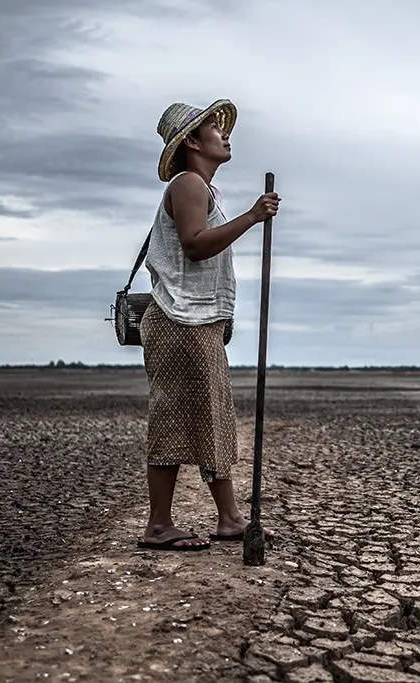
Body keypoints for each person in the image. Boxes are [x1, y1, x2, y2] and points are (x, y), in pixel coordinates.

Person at [136, 99, 280, 551]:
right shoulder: (188, 184)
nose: (225, 134)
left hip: (196, 321)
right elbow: (195, 246)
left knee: (209, 416)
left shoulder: (201, 188)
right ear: (193, 142)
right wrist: (252, 217)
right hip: (179, 320)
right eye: (215, 129)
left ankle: (230, 518)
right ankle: (159, 525)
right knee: (176, 418)